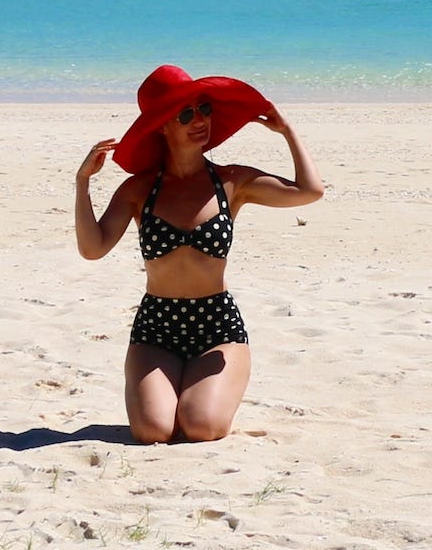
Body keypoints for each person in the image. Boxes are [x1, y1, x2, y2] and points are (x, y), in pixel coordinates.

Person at [74, 64, 323, 444]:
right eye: (186, 114)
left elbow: (310, 191)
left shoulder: (232, 181)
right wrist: (82, 183)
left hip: (217, 327)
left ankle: (199, 392)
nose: (199, 120)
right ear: (162, 126)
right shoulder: (138, 190)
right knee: (153, 431)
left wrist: (287, 131)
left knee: (202, 427)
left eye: (204, 109)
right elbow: (93, 249)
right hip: (157, 327)